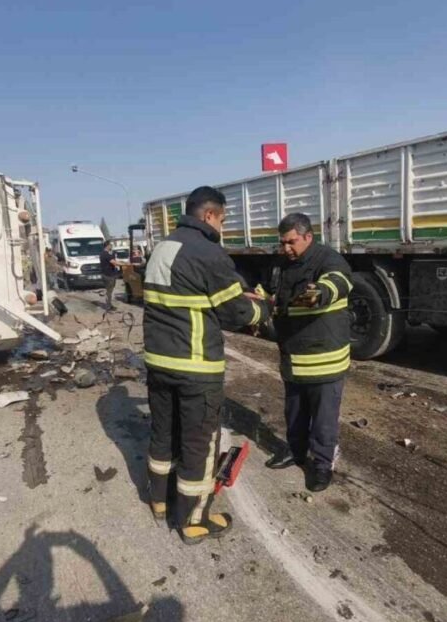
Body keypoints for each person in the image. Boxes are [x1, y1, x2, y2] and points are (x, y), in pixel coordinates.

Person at [143, 186, 269, 545]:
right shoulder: (208, 252)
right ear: (209, 215)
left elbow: (187, 294)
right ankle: (194, 520)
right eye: (222, 220)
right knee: (199, 443)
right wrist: (262, 309)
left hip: (158, 363)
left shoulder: (163, 247)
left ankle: (159, 501)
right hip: (195, 367)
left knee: (163, 434)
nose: (222, 227)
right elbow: (237, 312)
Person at [265, 212, 353, 492]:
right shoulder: (282, 264)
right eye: (282, 243)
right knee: (294, 412)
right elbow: (273, 293)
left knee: (324, 420)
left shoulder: (328, 259)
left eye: (291, 242)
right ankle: (296, 451)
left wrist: (322, 292)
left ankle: (322, 464)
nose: (286, 248)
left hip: (323, 359)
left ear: (308, 237)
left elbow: (339, 282)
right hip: (293, 356)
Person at [99, 240, 122, 311]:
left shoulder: (102, 253)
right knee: (109, 291)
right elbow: (114, 262)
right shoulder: (105, 254)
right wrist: (124, 264)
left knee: (109, 291)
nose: (111, 246)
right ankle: (108, 306)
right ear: (107, 246)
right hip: (108, 275)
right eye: (111, 245)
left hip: (107, 274)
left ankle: (109, 305)